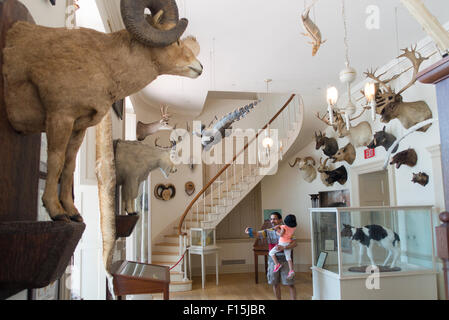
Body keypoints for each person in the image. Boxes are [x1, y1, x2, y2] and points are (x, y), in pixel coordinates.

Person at [245, 212, 297, 300]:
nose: (273, 221)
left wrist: (284, 247)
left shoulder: (287, 229)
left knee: (290, 284)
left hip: (285, 261)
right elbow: (257, 234)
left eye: (275, 218)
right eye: (271, 219)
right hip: (273, 262)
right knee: (275, 283)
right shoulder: (269, 231)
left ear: (280, 220)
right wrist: (249, 231)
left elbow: (295, 243)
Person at [268, 214, 297, 280]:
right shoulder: (293, 227)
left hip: (282, 243)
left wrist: (276, 231)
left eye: (274, 219)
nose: (272, 221)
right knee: (288, 257)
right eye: (271, 219)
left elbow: (281, 234)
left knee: (271, 253)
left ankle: (277, 264)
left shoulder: (283, 226)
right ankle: (291, 270)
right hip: (288, 243)